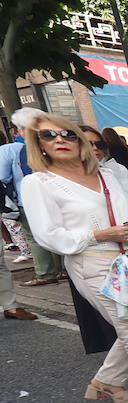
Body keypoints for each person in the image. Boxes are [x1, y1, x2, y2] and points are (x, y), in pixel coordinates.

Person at [19, 112, 128, 403]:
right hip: (91, 262)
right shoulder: (38, 183)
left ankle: (107, 380)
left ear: (80, 140)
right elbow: (48, 235)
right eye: (49, 135)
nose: (60, 139)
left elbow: (126, 213)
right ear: (39, 144)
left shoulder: (105, 174)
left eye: (68, 134)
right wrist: (100, 234)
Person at [2, 109, 68, 288]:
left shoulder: (15, 150)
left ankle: (46, 273)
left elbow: (3, 177)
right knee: (55, 229)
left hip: (28, 200)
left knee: (35, 237)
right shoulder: (45, 146)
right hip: (54, 197)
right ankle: (62, 269)